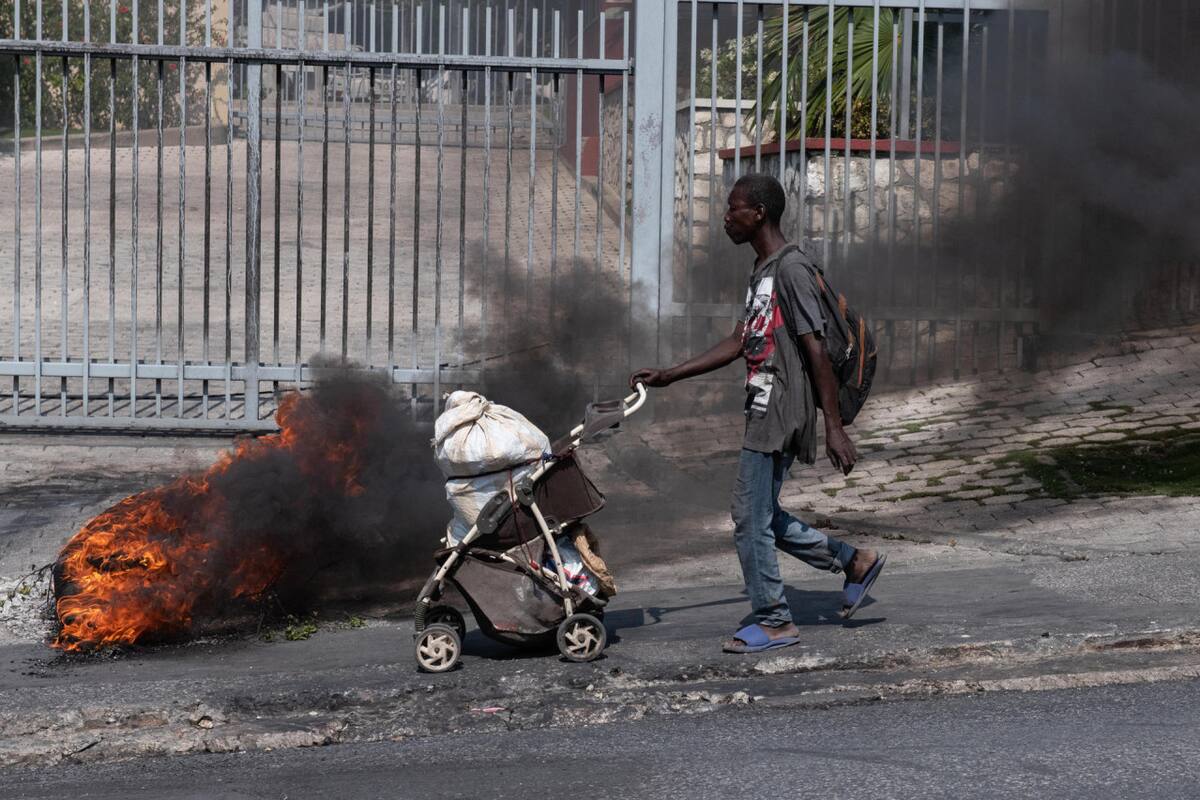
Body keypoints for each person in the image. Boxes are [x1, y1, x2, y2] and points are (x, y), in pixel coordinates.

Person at [629, 173, 886, 654]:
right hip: (765, 404)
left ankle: (774, 619)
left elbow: (815, 349)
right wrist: (670, 374)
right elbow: (738, 340)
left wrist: (833, 425)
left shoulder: (790, 270)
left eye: (734, 208)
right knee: (762, 514)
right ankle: (855, 563)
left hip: (781, 410)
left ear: (760, 212)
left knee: (748, 518)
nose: (727, 217)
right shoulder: (763, 269)